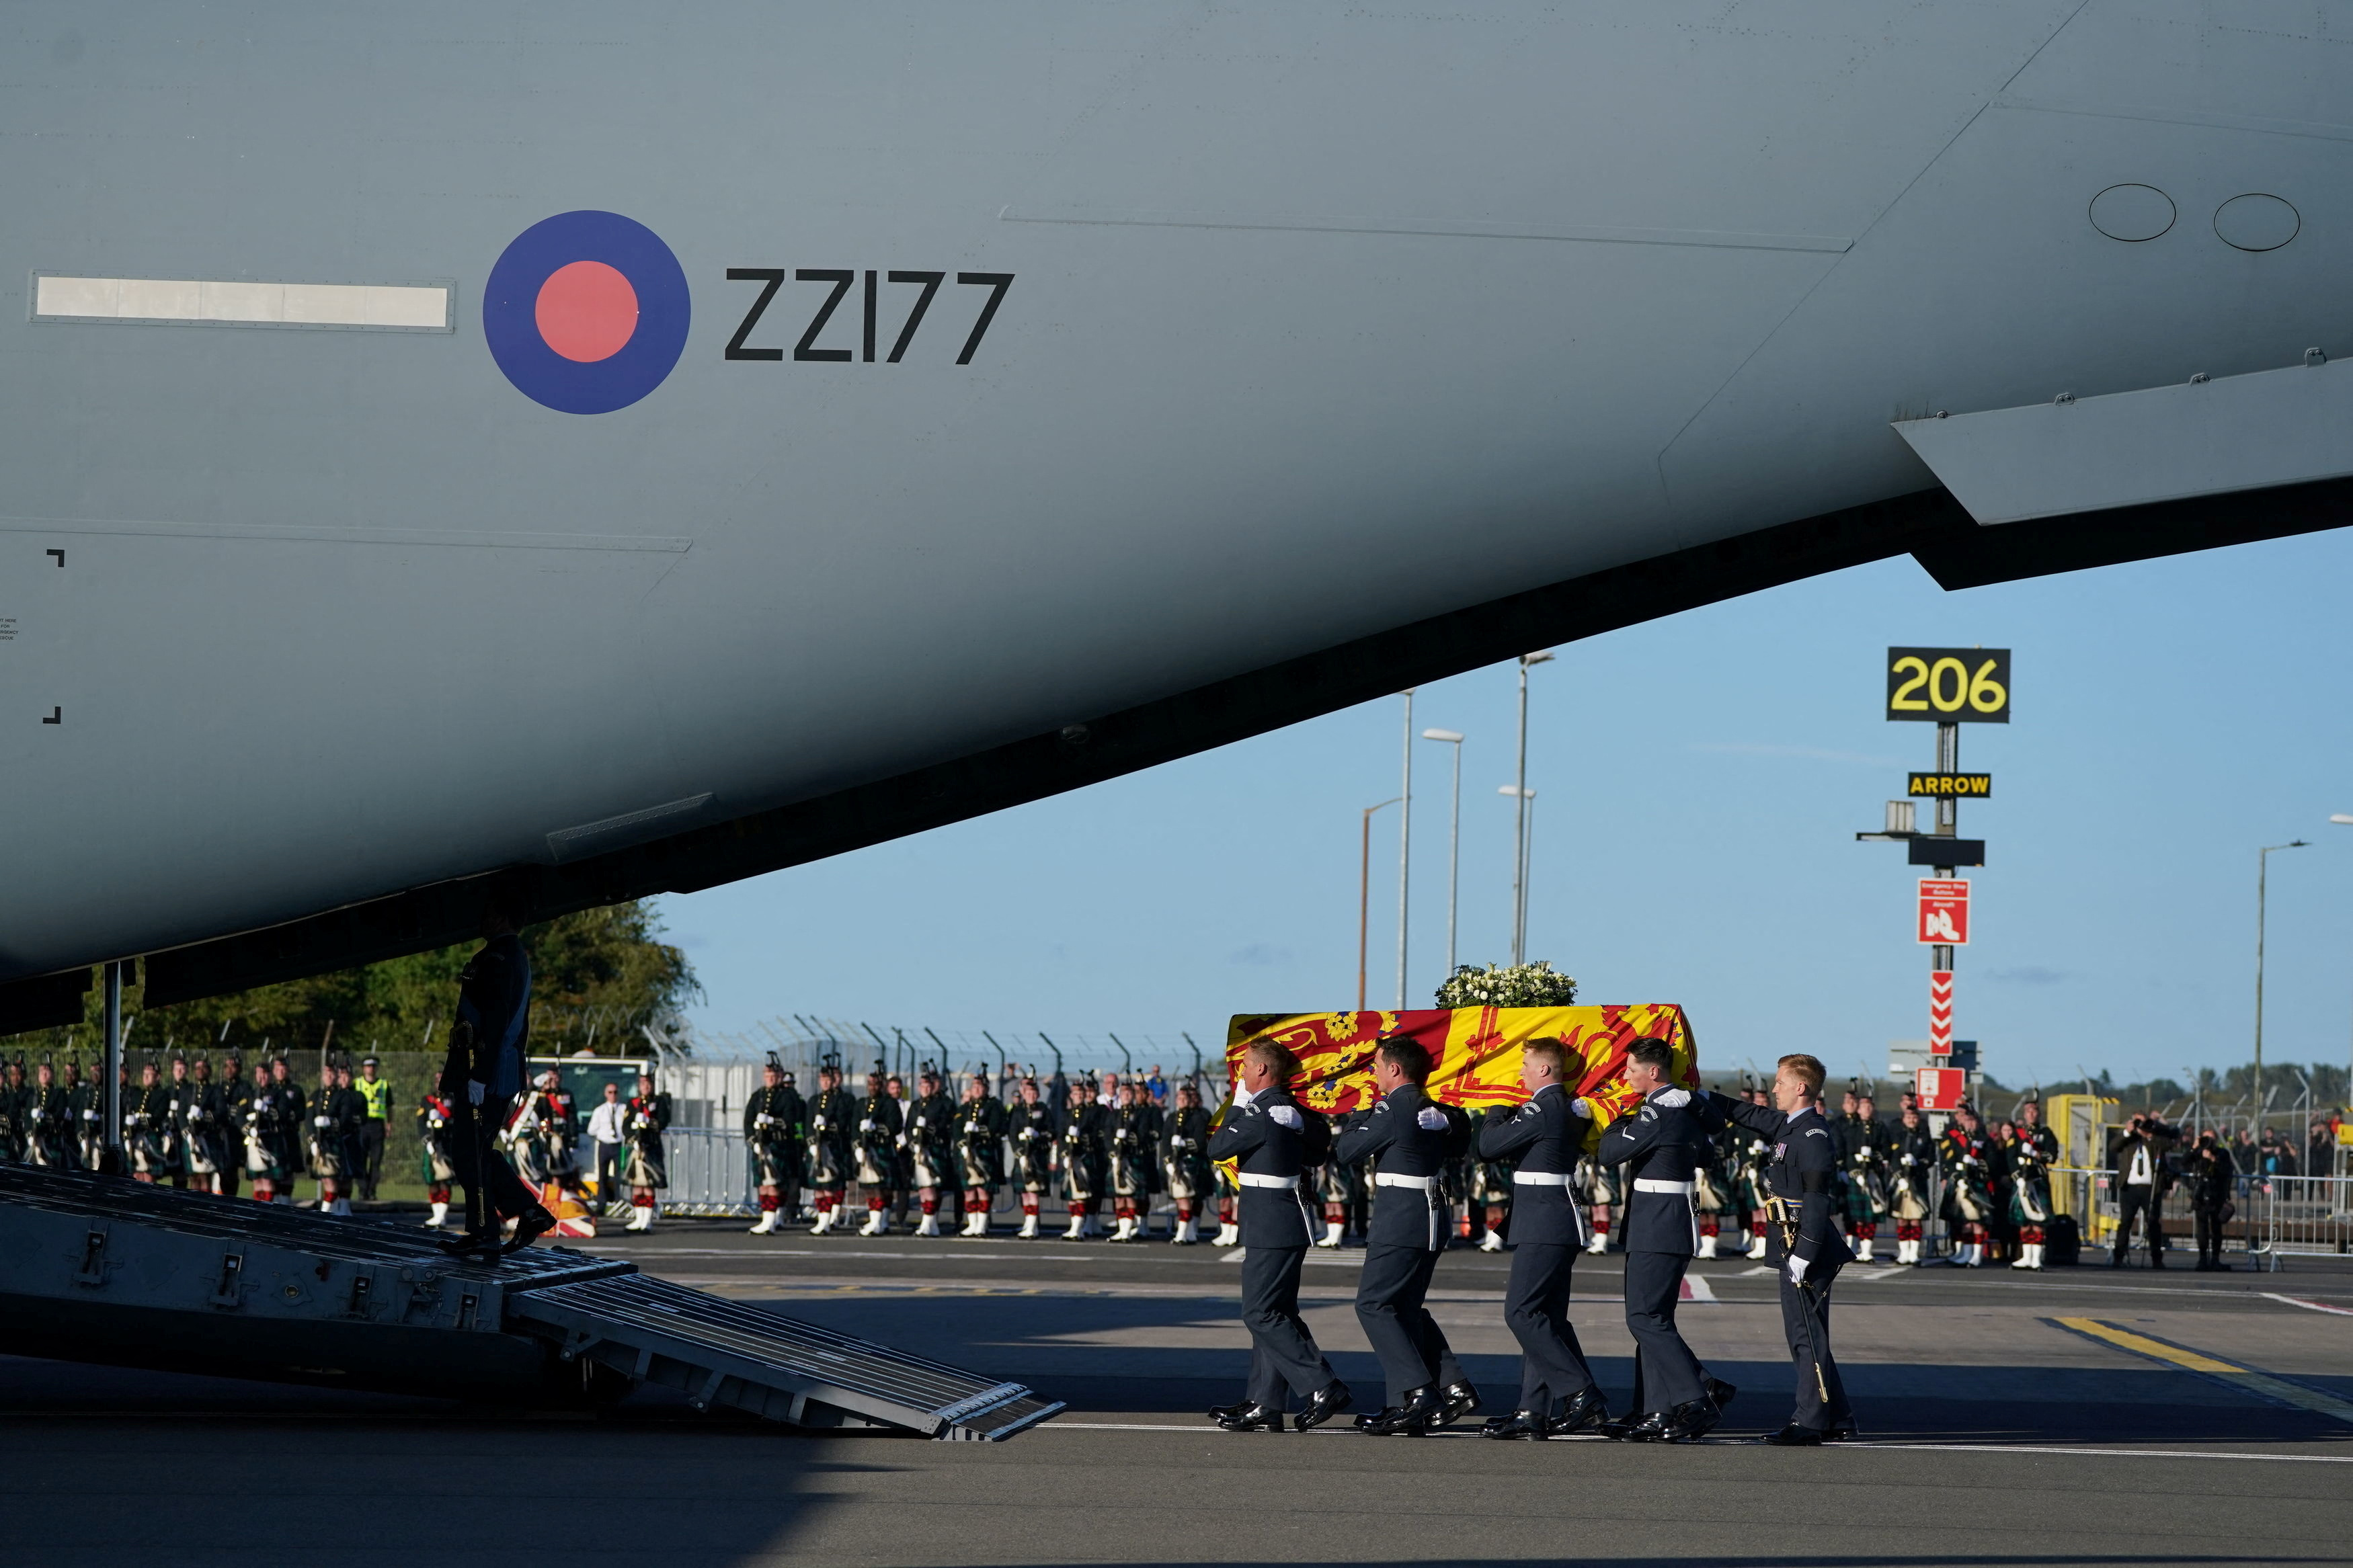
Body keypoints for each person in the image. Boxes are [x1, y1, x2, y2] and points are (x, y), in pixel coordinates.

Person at [1697, 1053, 1858, 1445]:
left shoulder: (1813, 1135)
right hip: (1790, 1237)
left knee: (1806, 1335)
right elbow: (1750, 1115)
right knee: (1806, 1331)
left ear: (1801, 1088)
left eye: (1781, 1082)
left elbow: (1818, 1198)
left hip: (1805, 1241)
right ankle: (1837, 1417)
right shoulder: (1792, 1126)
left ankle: (1810, 1421)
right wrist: (1699, 1095)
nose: (1775, 1089)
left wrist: (1806, 1251)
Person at [1203, 1039, 1353, 1433]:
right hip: (1284, 1219)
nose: (1241, 1073)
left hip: (1272, 1223)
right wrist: (1304, 1126)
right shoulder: (1289, 1110)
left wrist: (1237, 1104)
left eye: (1246, 1066)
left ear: (1263, 1071)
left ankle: (1322, 1385)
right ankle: (1264, 1403)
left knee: (1260, 1312)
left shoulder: (1261, 1112)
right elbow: (1319, 1149)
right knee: (1276, 1312)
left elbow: (1217, 1147)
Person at [1332, 1036, 1479, 1436]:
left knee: (1374, 1305)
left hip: (1402, 1220)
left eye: (1377, 1065)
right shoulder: (1430, 1108)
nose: (1373, 1072)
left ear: (1395, 1069)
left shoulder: (1393, 1107)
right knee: (1405, 1309)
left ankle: (1417, 1393)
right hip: (1428, 1216)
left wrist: (1358, 1113)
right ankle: (1451, 1386)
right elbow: (1462, 1135)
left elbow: (1347, 1151)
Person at [1594, 1039, 1734, 1442]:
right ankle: (1658, 1408)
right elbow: (1707, 1150)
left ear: (1654, 1072)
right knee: (1654, 1319)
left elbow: (1608, 1153)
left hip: (1658, 1224)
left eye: (1631, 1069)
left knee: (1644, 1318)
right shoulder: (1686, 1107)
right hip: (1666, 1222)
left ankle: (1696, 1397)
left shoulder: (1658, 1110)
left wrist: (1618, 1117)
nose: (1625, 1076)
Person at [1473, 1039, 1607, 1439]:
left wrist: (1497, 1103)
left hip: (1545, 1222)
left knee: (1522, 1313)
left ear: (1546, 1071)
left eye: (1526, 1065)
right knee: (1544, 1318)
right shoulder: (1562, 1106)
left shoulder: (1542, 1107)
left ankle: (1581, 1393)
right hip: (1551, 1219)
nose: (1520, 1073)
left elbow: (1488, 1147)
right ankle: (1533, 1409)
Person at [435, 893, 556, 1255]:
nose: (482, 919)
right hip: (491, 1067)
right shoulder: (510, 956)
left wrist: (480, 1076)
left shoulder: (500, 959)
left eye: (489, 911)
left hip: (487, 1068)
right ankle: (524, 1213)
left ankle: (488, 1231)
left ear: (503, 917)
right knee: (475, 1150)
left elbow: (496, 1021)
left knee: (470, 1151)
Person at [2108, 1112, 2178, 1268]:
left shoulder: (2153, 1137)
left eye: (2142, 1121)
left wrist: (2150, 1135)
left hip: (2150, 1188)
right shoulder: (2129, 1139)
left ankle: (2156, 1258)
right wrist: (2127, 1132)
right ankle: (2119, 1256)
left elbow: (2169, 1144)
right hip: (2130, 1187)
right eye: (2137, 1121)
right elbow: (2113, 1147)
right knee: (2125, 1222)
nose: (2140, 1125)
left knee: (2153, 1223)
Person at [745, 1060, 803, 1235]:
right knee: (763, 1184)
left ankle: (770, 1221)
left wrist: (772, 1122)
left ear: (780, 1076)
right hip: (761, 1146)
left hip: (778, 1144)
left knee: (775, 1184)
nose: (771, 1078)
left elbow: (791, 1120)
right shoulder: (758, 1096)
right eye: (768, 1075)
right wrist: (753, 1142)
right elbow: (748, 1121)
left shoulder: (787, 1096)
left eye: (774, 1075)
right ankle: (767, 1218)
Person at [2006, 1096, 2060, 1271]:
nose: (2031, 1114)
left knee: (2038, 1220)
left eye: (2034, 1111)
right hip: (2022, 1181)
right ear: (2025, 1114)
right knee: (2024, 1221)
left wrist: (2037, 1154)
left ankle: (2036, 1258)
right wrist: (2018, 1178)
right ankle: (2026, 1257)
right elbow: (2011, 1156)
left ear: (2039, 1114)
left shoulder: (2046, 1133)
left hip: (2038, 1180)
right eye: (2028, 1111)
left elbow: (2052, 1156)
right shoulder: (2018, 1133)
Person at [1940, 1106, 1997, 1266]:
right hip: (1961, 1182)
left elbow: (1992, 1163)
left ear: (1977, 1123)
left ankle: (1977, 1256)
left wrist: (1977, 1163)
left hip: (1978, 1182)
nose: (1969, 1124)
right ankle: (1966, 1254)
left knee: (1977, 1221)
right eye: (1967, 1121)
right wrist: (1955, 1176)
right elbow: (1948, 1160)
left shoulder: (1985, 1140)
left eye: (1972, 1121)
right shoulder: (1955, 1139)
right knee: (1965, 1222)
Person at [805, 1059, 855, 1235]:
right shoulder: (814, 1100)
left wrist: (827, 1127)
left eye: (829, 1079)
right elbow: (807, 1124)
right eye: (823, 1079)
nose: (826, 1082)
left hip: (833, 1147)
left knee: (829, 1185)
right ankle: (822, 1218)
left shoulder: (844, 1100)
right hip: (817, 1148)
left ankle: (826, 1221)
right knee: (818, 1187)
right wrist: (811, 1142)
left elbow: (844, 1122)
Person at [1162, 1079, 1214, 1244]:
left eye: (1186, 1098)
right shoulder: (1172, 1117)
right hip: (1176, 1164)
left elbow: (1199, 1141)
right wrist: (1168, 1161)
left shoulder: (1199, 1116)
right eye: (1180, 1098)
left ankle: (1185, 1233)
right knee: (1181, 1198)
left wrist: (1185, 1143)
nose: (1183, 1101)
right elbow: (1165, 1141)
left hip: (1193, 1163)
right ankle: (1186, 1233)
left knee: (1190, 1198)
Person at [905, 1068, 956, 1237]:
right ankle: (931, 1224)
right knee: (923, 1188)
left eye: (929, 1085)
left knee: (931, 1187)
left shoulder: (943, 1104)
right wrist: (913, 1143)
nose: (926, 1088)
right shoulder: (915, 1106)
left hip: (935, 1149)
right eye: (923, 1085)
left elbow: (948, 1124)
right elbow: (909, 1128)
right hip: (919, 1151)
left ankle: (928, 1222)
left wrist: (932, 1130)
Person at [953, 1072, 1006, 1237]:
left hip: (985, 1151)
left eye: (980, 1086)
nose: (977, 1089)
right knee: (969, 1190)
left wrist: (980, 1131)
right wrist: (962, 1143)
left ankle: (982, 1225)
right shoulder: (964, 1108)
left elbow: (997, 1126)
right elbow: (956, 1129)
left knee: (983, 1190)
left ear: (986, 1088)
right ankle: (972, 1224)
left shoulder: (994, 1106)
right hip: (967, 1153)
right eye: (974, 1086)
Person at [1108, 1079, 1159, 1242]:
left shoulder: (1141, 1113)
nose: (1127, 1096)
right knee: (1118, 1196)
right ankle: (1122, 1229)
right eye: (1124, 1093)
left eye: (1130, 1093)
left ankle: (1127, 1230)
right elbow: (1107, 1133)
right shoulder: (1114, 1114)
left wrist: (1135, 1138)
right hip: (1117, 1159)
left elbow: (1146, 1132)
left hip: (1134, 1158)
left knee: (1130, 1195)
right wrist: (1112, 1150)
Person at [1058, 1079, 1109, 1239]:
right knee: (1072, 1195)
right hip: (1070, 1159)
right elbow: (1061, 1135)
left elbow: (1097, 1132)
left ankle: (1079, 1228)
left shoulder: (1092, 1112)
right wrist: (1064, 1154)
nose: (1080, 1096)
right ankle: (1076, 1226)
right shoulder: (1067, 1114)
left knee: (1081, 1193)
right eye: (1077, 1094)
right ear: (1071, 1096)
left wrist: (1086, 1139)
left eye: (1082, 1093)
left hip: (1085, 1157)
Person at [1006, 1076, 1056, 1238]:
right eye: (1029, 1092)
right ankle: (1028, 1223)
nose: (1032, 1095)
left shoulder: (1043, 1110)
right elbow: (1012, 1133)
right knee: (1025, 1193)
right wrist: (1019, 1152)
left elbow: (1051, 1132)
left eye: (1035, 1092)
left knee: (1033, 1192)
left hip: (1037, 1156)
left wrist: (1038, 1135)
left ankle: (1033, 1226)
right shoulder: (1018, 1111)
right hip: (1022, 1157)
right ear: (1024, 1093)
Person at [621, 1072, 671, 1233]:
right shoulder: (633, 1103)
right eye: (643, 1084)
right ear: (639, 1086)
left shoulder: (659, 1101)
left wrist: (649, 1122)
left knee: (649, 1183)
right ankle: (638, 1219)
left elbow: (663, 1121)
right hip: (636, 1147)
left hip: (651, 1145)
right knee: (636, 1183)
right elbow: (626, 1125)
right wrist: (633, 1137)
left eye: (648, 1084)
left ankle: (647, 1220)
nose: (646, 1086)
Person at [1843, 1094, 1888, 1262]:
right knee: (1855, 1215)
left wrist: (1875, 1157)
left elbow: (1886, 1151)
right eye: (1864, 1106)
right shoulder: (1852, 1129)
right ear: (1859, 1109)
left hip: (1872, 1175)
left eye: (1870, 1106)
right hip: (1855, 1177)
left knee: (1870, 1215)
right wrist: (1853, 1169)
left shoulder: (1880, 1128)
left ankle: (1867, 1250)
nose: (1867, 1109)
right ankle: (1852, 1248)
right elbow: (1846, 1151)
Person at [1889, 1103, 1936, 1264]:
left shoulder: (1924, 1136)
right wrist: (1899, 1175)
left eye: (1914, 1117)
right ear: (1904, 1119)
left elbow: (1931, 1158)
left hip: (1918, 1180)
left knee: (1916, 1218)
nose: (1912, 1120)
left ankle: (1914, 1253)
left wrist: (1919, 1163)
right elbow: (1893, 1156)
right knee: (1901, 1218)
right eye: (1909, 1117)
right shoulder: (1898, 1135)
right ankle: (1904, 1253)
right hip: (1901, 1181)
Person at [176, 1053, 227, 1195]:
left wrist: (204, 1116)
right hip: (190, 1137)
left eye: (204, 1068)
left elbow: (221, 1112)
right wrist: (185, 1130)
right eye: (198, 1067)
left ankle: (205, 1206)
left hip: (207, 1136)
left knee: (205, 1175)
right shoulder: (187, 1090)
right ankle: (194, 1207)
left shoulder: (216, 1090)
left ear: (209, 1071)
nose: (200, 1070)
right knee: (193, 1176)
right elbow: (180, 1113)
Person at [2186, 1129, 2237, 1270]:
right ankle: (2202, 1258)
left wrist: (2214, 1160)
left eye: (2211, 1139)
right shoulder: (2197, 1153)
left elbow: (2226, 1171)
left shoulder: (2222, 1153)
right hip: (2200, 1195)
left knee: (2216, 1229)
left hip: (2216, 1195)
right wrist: (2194, 1147)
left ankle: (2215, 1259)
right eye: (2206, 1138)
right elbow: (2184, 1161)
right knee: (2202, 1229)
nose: (2208, 1142)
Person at [124, 1059, 171, 1181]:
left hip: (152, 1135)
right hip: (136, 1137)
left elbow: (159, 1115)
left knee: (149, 1176)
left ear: (158, 1077)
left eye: (149, 1075)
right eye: (144, 1074)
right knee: (137, 1175)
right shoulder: (137, 1094)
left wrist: (143, 1120)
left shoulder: (163, 1094)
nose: (145, 1077)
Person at [354, 1056, 393, 1201]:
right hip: (362, 1125)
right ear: (364, 1068)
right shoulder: (356, 1083)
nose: (371, 1069)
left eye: (373, 1066)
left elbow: (390, 1106)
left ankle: (372, 1190)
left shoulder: (383, 1084)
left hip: (378, 1125)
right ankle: (362, 1190)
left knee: (376, 1161)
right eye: (368, 1066)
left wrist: (389, 1124)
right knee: (361, 1159)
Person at [417, 1088, 459, 1227]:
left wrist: (444, 1119)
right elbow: (421, 1122)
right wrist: (427, 1140)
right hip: (431, 1144)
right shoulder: (427, 1100)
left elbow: (457, 1119)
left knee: (445, 1179)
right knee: (431, 1179)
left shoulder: (453, 1100)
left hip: (446, 1144)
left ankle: (442, 1216)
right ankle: (436, 1215)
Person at [586, 1081, 628, 1217]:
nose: (613, 1095)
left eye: (615, 1092)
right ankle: (601, 1205)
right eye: (610, 1092)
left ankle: (619, 1203)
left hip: (618, 1145)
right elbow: (591, 1130)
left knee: (619, 1175)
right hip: (605, 1144)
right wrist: (603, 1134)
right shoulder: (600, 1110)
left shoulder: (624, 1109)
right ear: (606, 1094)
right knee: (602, 1176)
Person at [26, 1057, 73, 1168]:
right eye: (42, 1072)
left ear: (53, 1075)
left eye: (47, 1071)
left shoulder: (59, 1093)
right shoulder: (34, 1095)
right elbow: (27, 1118)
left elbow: (61, 1113)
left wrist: (44, 1116)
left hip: (52, 1139)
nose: (45, 1074)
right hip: (36, 1139)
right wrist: (29, 1134)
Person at [216, 1051, 249, 1198]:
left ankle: (231, 1198)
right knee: (220, 1169)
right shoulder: (220, 1087)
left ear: (239, 1069)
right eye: (227, 1066)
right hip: (220, 1132)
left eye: (233, 1066)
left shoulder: (244, 1087)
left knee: (232, 1169)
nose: (229, 1069)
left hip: (235, 1133)